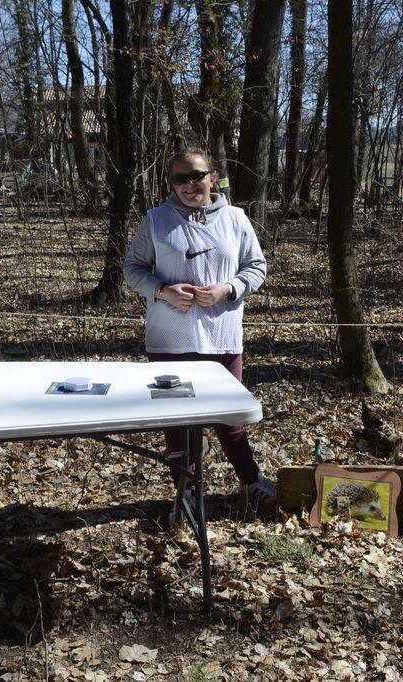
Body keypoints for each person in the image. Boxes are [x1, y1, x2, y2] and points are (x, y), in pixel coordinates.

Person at [123, 147, 276, 519]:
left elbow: (256, 267)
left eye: (197, 175)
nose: (190, 185)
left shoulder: (236, 219)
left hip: (222, 336)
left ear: (212, 176)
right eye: (180, 178)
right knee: (178, 422)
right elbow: (133, 269)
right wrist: (162, 291)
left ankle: (251, 482)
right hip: (169, 340)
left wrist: (228, 289)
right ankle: (185, 492)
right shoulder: (156, 220)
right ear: (171, 184)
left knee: (230, 416)